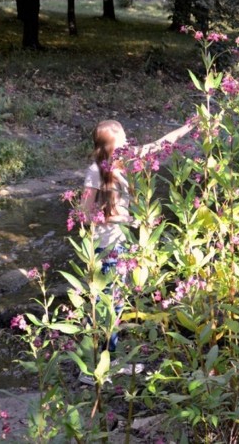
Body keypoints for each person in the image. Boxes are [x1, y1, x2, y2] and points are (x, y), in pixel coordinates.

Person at [78, 119, 192, 385]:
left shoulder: (122, 163)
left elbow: (159, 145)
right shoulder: (96, 171)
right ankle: (94, 369)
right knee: (105, 305)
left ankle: (108, 360)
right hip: (104, 247)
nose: (129, 144)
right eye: (123, 140)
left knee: (115, 303)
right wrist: (124, 219)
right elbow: (84, 214)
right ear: (110, 144)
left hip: (121, 244)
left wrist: (189, 126)